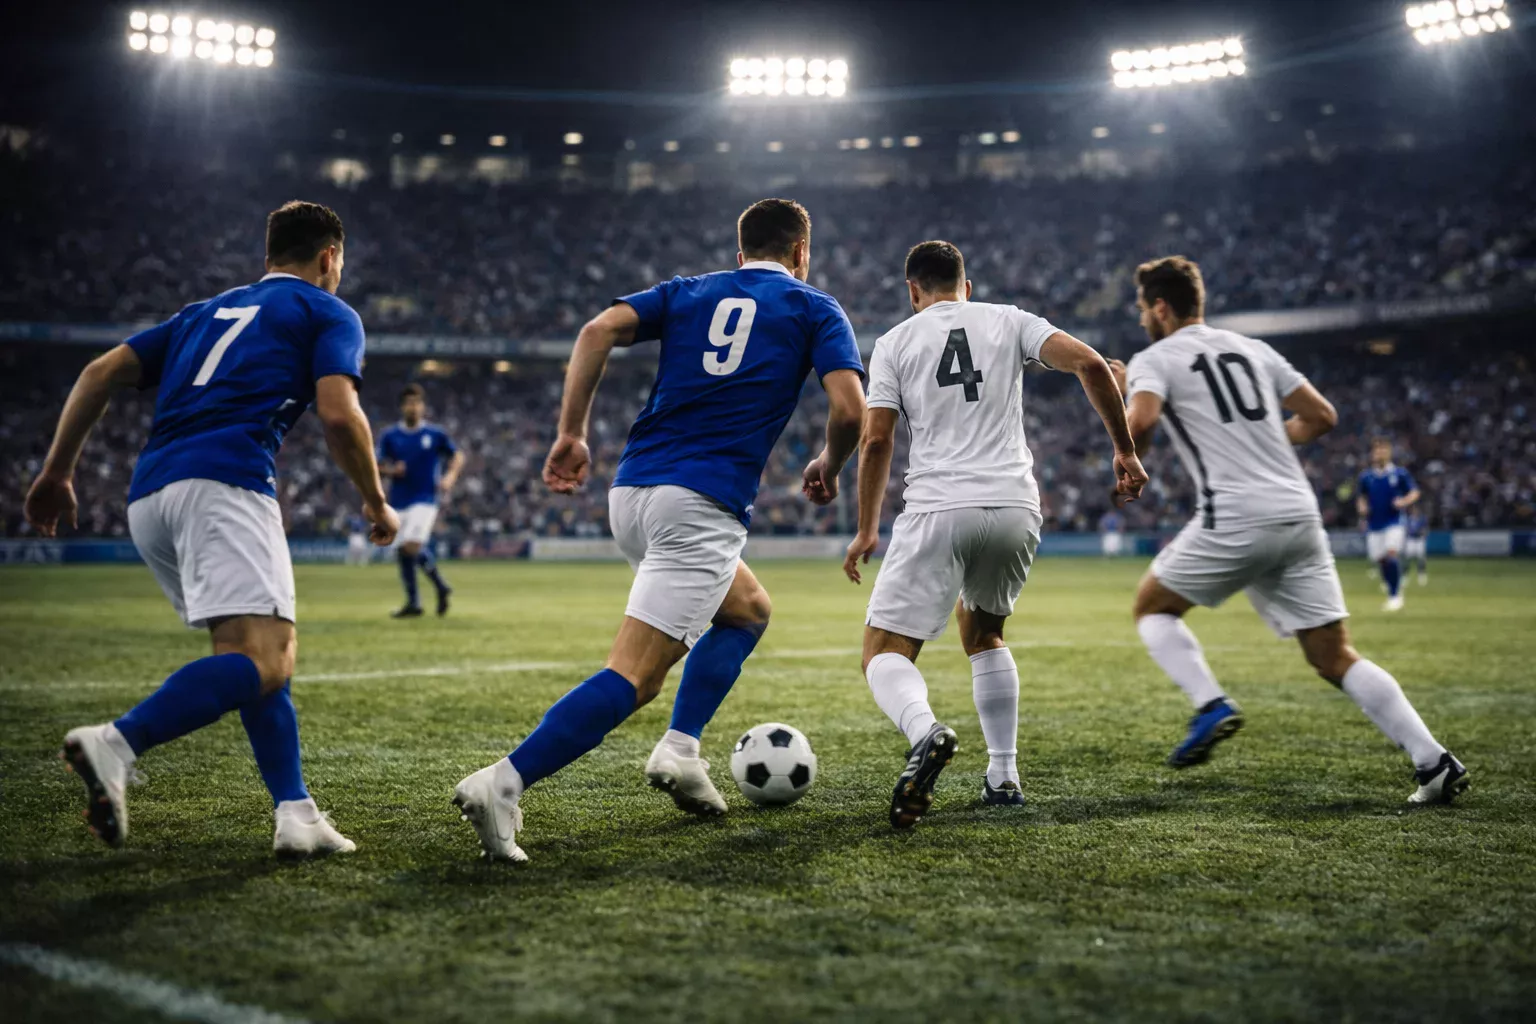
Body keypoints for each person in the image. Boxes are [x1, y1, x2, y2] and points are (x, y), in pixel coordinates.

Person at [452, 198, 867, 861]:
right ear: (801, 254)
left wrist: (570, 433)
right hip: (701, 504)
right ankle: (503, 782)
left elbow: (595, 331)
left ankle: (680, 749)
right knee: (635, 676)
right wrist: (830, 461)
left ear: (739, 254)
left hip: (633, 492)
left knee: (749, 611)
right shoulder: (815, 307)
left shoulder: (687, 292)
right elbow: (849, 409)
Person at [24, 201, 400, 856]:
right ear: (329, 258)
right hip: (224, 485)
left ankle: (296, 813)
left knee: (252, 658)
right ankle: (116, 743)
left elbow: (97, 373)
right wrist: (375, 500)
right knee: (265, 659)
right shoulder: (327, 310)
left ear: (268, 254)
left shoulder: (202, 312)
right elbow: (341, 416)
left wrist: (58, 472)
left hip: (151, 497)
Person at [1108, 256, 1466, 804]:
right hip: (1299, 512)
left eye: (1142, 310)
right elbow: (1322, 416)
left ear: (1160, 307)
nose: (1141, 321)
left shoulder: (1154, 358)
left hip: (1236, 512)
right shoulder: (1255, 349)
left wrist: (1120, 407)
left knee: (1152, 607)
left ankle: (1211, 704)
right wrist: (1264, 439)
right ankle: (1433, 762)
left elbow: (1145, 423)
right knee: (1333, 655)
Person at [842, 241, 1147, 829]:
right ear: (968, 284)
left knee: (883, 652)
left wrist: (865, 529)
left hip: (939, 505)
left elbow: (876, 440)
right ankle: (1003, 776)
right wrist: (1125, 451)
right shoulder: (1009, 319)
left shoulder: (895, 342)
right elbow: (1091, 363)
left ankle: (925, 732)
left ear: (913, 291)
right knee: (984, 633)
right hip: (1014, 504)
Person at [377, 384, 464, 616]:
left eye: (417, 403)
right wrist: (391, 471)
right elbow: (376, 465)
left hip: (425, 498)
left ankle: (439, 586)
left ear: (423, 406)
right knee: (403, 552)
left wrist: (450, 477)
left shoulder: (435, 434)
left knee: (411, 545)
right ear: (401, 407)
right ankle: (416, 602)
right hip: (398, 501)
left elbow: (457, 455)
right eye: (408, 403)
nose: (413, 407)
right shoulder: (390, 436)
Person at [1357, 439, 1420, 611]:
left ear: (1389, 453)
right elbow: (1361, 497)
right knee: (1381, 559)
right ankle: (1392, 585)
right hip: (1374, 524)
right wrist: (1362, 507)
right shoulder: (1366, 477)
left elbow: (1414, 492)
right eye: (1377, 451)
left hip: (1394, 522)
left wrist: (1403, 501)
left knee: (1391, 555)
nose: (1380, 454)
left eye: (1383, 450)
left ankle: (1395, 596)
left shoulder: (1399, 474)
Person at [1405, 504, 1429, 585]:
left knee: (1421, 558)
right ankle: (1405, 576)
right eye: (1413, 510)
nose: (1415, 511)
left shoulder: (1422, 519)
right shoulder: (1408, 519)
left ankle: (1421, 575)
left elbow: (1426, 530)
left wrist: (1423, 533)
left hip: (1419, 540)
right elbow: (1406, 529)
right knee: (1408, 558)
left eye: (1416, 509)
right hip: (1411, 540)